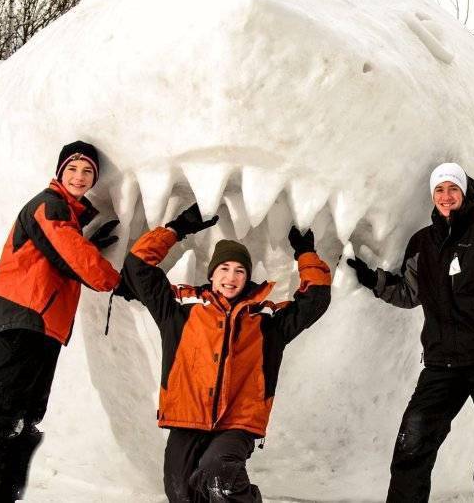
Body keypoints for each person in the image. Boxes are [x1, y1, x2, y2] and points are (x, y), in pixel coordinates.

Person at [119, 206, 332, 503]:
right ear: (212, 273)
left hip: (238, 423)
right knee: (180, 493)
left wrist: (305, 254)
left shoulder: (266, 320)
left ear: (247, 278)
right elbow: (138, 266)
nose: (231, 277)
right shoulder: (179, 308)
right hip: (187, 418)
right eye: (224, 269)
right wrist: (177, 229)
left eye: (239, 271)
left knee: (218, 473)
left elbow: (316, 299)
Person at [0, 141, 124, 502]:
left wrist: (86, 239)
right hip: (22, 323)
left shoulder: (67, 214)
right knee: (1, 421)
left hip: (42, 327)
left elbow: (63, 254)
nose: (80, 177)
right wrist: (120, 281)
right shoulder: (49, 205)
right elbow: (74, 256)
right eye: (73, 169)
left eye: (88, 171)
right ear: (60, 172)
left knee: (24, 423)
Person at [348, 162, 474, 503]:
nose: (446, 196)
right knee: (411, 443)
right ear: (433, 196)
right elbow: (410, 293)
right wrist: (376, 281)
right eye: (439, 190)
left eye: (452, 189)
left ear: (464, 193)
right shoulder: (422, 244)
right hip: (442, 363)